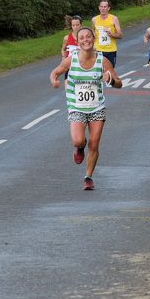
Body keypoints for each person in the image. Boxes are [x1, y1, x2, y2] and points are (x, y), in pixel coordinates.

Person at [50, 26, 123, 190]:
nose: (85, 40)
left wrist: (110, 79)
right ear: (77, 41)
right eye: (82, 38)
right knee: (78, 140)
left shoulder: (102, 60)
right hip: (76, 107)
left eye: (88, 37)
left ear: (93, 38)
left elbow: (119, 83)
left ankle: (88, 177)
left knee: (94, 144)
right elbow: (55, 72)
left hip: (97, 107)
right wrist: (54, 80)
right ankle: (79, 147)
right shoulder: (71, 59)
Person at [91, 0, 122, 68]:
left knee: (110, 72)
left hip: (110, 50)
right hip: (98, 50)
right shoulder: (94, 20)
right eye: (101, 7)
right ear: (99, 8)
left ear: (108, 8)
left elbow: (120, 35)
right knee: (98, 73)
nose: (103, 8)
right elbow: (93, 35)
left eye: (105, 7)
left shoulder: (114, 19)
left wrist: (112, 35)